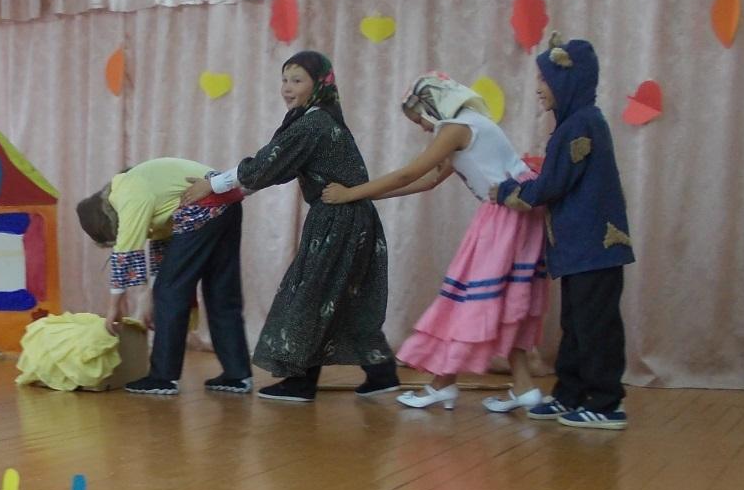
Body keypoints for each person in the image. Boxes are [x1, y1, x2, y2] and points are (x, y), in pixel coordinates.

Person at [322, 73, 549, 412]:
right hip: (521, 214)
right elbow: (429, 180)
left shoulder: (455, 128)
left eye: (421, 119)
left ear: (433, 105)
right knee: (504, 299)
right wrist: (366, 197)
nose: (425, 128)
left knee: (467, 297)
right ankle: (523, 386)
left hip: (504, 216)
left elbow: (410, 173)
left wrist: (349, 193)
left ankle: (442, 384)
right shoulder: (472, 124)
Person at [180, 51, 396, 403]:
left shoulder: (314, 123)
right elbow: (274, 169)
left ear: (319, 84)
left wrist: (213, 184)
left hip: (338, 218)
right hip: (350, 219)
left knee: (309, 296)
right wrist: (228, 190)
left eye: (297, 80)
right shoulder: (317, 119)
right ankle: (382, 373)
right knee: (342, 298)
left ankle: (300, 382)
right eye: (284, 79)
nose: (287, 88)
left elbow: (266, 164)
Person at [491, 35, 634, 430]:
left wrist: (506, 191)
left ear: (568, 81)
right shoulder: (575, 123)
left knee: (596, 327)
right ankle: (570, 393)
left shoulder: (581, 124)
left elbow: (552, 185)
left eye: (544, 79)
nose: (538, 88)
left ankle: (606, 403)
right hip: (578, 249)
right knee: (575, 324)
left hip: (595, 248)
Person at [75, 157, 251, 395]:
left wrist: (114, 307)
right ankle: (237, 375)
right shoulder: (151, 193)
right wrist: (149, 296)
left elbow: (125, 252)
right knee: (220, 290)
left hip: (202, 205)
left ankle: (163, 378)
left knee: (170, 293)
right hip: (227, 203)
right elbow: (164, 254)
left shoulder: (127, 193)